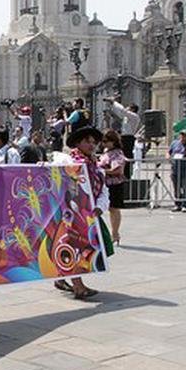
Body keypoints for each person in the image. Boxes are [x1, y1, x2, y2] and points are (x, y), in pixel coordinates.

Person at [55, 126, 107, 299]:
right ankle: (78, 286)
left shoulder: (95, 166)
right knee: (75, 248)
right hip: (71, 213)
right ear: (78, 143)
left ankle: (61, 278)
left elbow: (103, 190)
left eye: (94, 142)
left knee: (79, 248)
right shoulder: (68, 161)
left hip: (88, 214)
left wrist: (100, 206)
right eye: (87, 141)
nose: (92, 145)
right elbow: (53, 173)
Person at [99, 130, 126, 245]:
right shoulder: (106, 152)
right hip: (106, 184)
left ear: (113, 141)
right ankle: (113, 234)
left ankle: (115, 233)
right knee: (109, 208)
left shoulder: (117, 153)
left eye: (106, 141)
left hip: (115, 184)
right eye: (102, 141)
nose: (103, 143)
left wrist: (102, 171)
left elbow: (118, 169)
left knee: (114, 209)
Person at [169, 130, 186, 212]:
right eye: (182, 135)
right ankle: (177, 204)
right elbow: (169, 152)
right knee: (176, 188)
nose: (183, 137)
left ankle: (184, 205)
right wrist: (168, 158)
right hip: (175, 168)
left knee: (185, 188)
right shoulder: (174, 143)